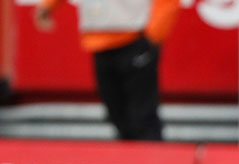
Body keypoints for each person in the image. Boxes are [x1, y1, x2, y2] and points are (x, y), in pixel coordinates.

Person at [33, 0, 179, 141]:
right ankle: (131, 163)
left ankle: (152, 163)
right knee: (117, 115)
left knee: (143, 118)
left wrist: (153, 36)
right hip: (99, 43)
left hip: (134, 38)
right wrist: (48, 5)